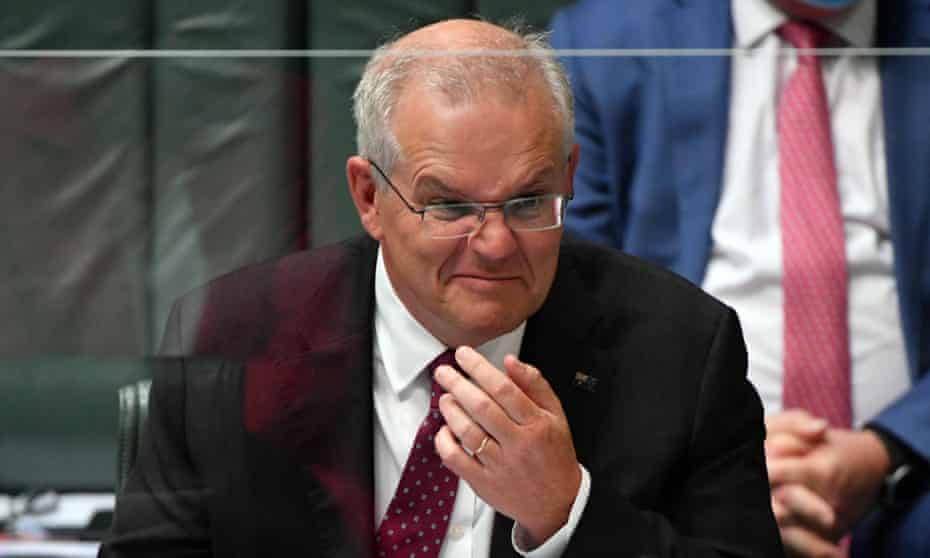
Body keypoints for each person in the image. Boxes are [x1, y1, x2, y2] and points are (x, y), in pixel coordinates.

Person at [100, 19, 783, 558]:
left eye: (527, 201)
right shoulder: (230, 337)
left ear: (569, 176)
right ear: (369, 195)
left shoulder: (682, 352)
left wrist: (568, 514)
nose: (493, 244)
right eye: (450, 207)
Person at [550, 0, 930, 556]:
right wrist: (725, 464)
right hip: (678, 466)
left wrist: (885, 451)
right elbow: (570, 305)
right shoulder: (604, 41)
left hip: (914, 473)